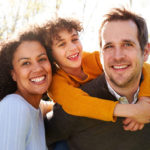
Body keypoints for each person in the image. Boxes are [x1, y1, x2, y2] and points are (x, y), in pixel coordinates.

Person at [45, 7, 150, 150]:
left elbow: (145, 68)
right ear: (51, 55)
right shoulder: (56, 82)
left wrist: (144, 100)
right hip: (70, 130)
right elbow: (76, 104)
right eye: (62, 44)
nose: (72, 48)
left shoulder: (94, 59)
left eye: (74, 39)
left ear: (145, 51)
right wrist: (132, 111)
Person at [0, 27, 54, 150]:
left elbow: (49, 106)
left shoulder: (35, 107)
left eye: (41, 59)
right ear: (13, 74)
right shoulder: (14, 106)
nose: (38, 68)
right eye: (26, 63)